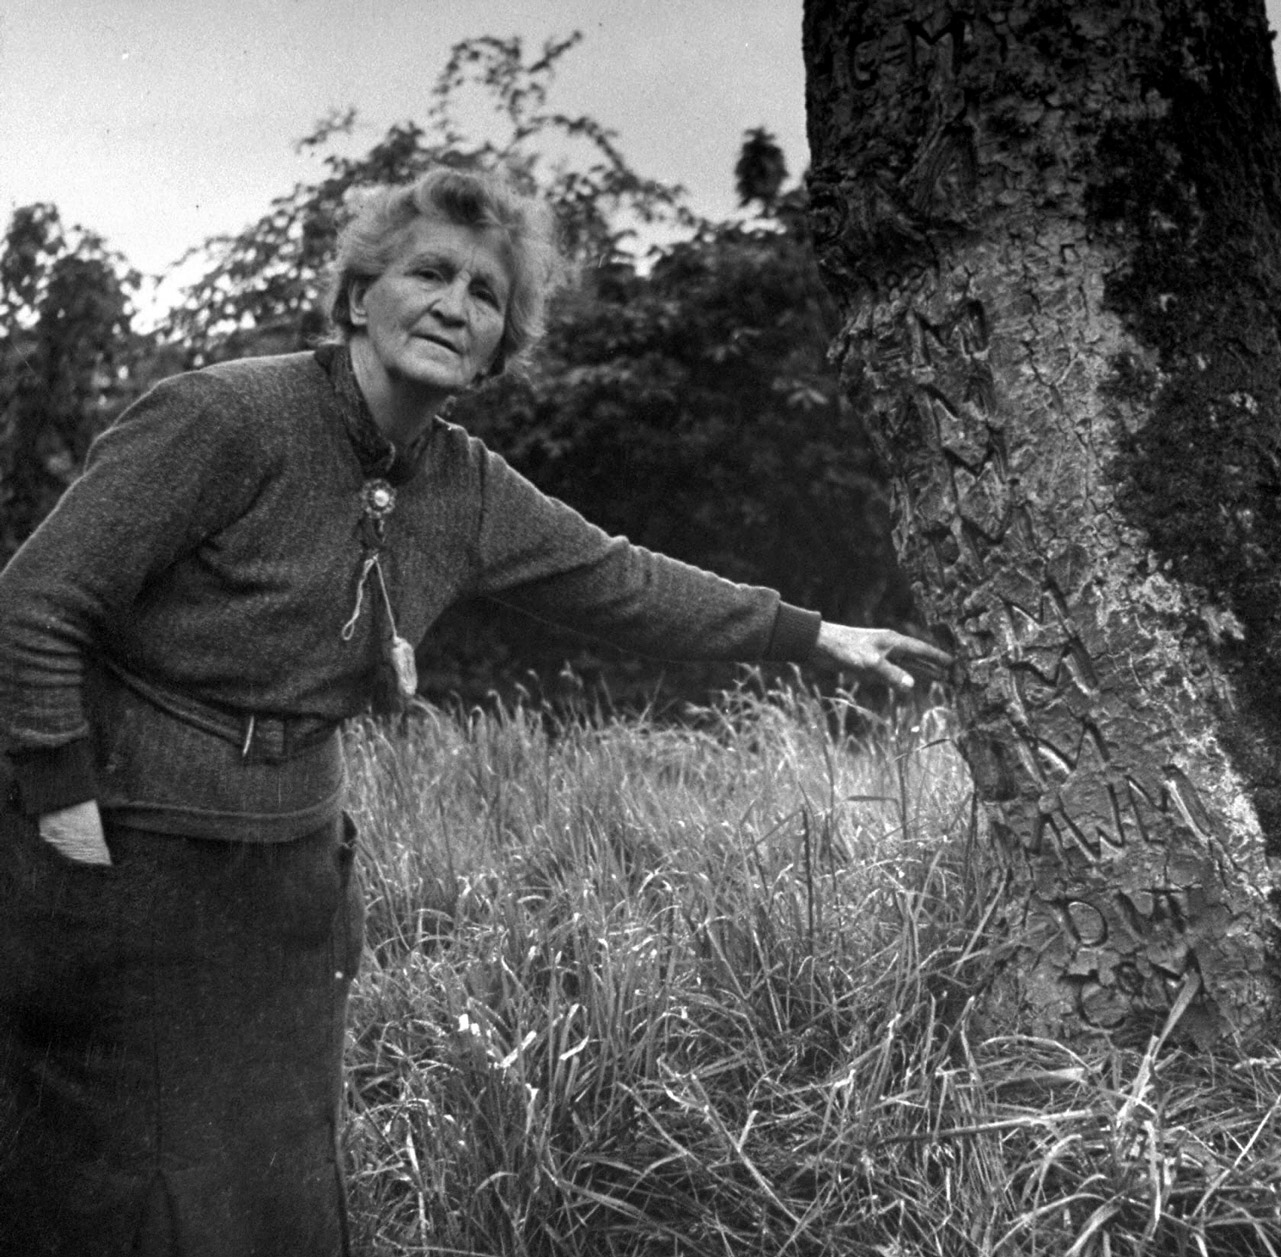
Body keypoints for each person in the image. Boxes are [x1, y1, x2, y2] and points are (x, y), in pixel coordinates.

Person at [0, 167, 950, 1257]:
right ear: (361, 295)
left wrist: (813, 633)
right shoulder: (223, 418)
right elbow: (35, 603)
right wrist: (58, 797)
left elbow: (622, 580)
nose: (457, 304)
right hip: (128, 851)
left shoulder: (465, 486)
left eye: (487, 294)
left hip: (291, 868)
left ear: (500, 344)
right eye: (429, 273)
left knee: (278, 1176)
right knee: (114, 1178)